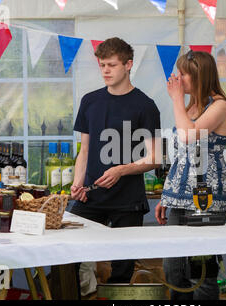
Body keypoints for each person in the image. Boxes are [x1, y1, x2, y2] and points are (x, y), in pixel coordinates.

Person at [71, 37, 161, 284]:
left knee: (121, 271)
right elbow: (85, 151)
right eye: (102, 65)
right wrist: (78, 183)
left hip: (127, 201)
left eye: (111, 65)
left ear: (128, 64)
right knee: (68, 259)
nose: (106, 71)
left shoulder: (146, 106)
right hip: (91, 196)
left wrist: (121, 170)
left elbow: (156, 158)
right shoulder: (89, 101)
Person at [155, 50, 226, 300]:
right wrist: (167, 196)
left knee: (201, 270)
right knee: (173, 269)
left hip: (207, 196)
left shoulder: (219, 106)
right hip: (178, 196)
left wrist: (176, 100)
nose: (178, 79)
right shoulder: (190, 106)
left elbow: (190, 137)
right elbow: (180, 156)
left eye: (184, 74)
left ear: (200, 76)